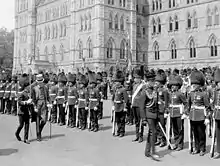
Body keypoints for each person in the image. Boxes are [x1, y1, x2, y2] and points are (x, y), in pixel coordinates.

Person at [187, 70, 210, 156]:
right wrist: (186, 113)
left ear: (199, 85)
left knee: (201, 133)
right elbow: (188, 105)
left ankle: (202, 148)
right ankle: (196, 148)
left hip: (200, 116)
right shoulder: (191, 94)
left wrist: (207, 117)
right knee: (195, 133)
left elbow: (207, 106)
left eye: (195, 84)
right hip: (192, 116)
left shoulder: (204, 94)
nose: (193, 86)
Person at [167, 74, 187, 151]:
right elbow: (169, 103)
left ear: (178, 86)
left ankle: (180, 144)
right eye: (172, 85)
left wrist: (185, 113)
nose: (173, 86)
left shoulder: (180, 94)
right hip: (172, 113)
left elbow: (186, 103)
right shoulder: (170, 94)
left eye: (174, 85)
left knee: (180, 129)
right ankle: (176, 142)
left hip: (179, 113)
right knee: (174, 129)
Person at [31, 73, 49, 141]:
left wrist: (49, 103)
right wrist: (34, 106)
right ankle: (38, 135)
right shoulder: (34, 89)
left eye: (41, 81)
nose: (40, 82)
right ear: (37, 81)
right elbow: (33, 99)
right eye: (39, 81)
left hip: (44, 104)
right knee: (38, 121)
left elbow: (48, 96)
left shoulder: (45, 87)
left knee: (44, 120)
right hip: (38, 104)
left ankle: (40, 130)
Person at [15, 73, 32, 144]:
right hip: (21, 112)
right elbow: (19, 102)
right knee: (21, 125)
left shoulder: (28, 93)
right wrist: (26, 102)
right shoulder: (21, 93)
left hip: (27, 111)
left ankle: (26, 138)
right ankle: (17, 133)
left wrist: (31, 103)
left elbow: (29, 103)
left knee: (27, 125)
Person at [111, 69, 128, 137]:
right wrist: (112, 105)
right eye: (116, 81)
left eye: (117, 81)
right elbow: (113, 98)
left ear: (120, 82)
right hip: (116, 106)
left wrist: (125, 107)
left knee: (122, 120)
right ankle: (118, 130)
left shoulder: (123, 89)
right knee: (117, 120)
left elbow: (126, 99)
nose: (116, 83)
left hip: (121, 106)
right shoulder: (115, 89)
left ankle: (122, 131)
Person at [154, 70, 169, 147]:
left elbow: (166, 102)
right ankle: (158, 139)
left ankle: (163, 140)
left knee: (162, 125)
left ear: (160, 82)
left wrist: (166, 111)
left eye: (157, 82)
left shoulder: (164, 90)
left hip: (162, 110)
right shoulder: (156, 90)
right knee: (157, 126)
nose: (155, 83)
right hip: (157, 110)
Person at [131, 67, 146, 143]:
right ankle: (137, 135)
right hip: (134, 104)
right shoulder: (134, 85)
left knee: (140, 121)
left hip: (139, 105)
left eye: (136, 78)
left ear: (140, 78)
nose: (135, 79)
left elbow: (143, 96)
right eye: (134, 78)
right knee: (136, 121)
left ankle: (140, 136)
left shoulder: (143, 86)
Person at [211, 68, 220, 159]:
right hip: (217, 114)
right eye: (217, 83)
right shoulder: (215, 92)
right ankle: (218, 151)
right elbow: (214, 103)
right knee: (218, 134)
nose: (218, 84)